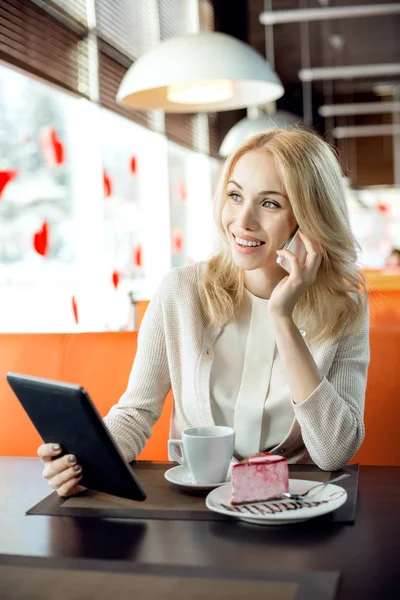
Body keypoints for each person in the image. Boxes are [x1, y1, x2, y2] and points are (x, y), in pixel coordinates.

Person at [39, 128, 370, 497]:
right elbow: (135, 414)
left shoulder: (344, 307)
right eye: (235, 195)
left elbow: (334, 453)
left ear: (309, 218)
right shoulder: (181, 293)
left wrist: (282, 318)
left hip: (295, 511)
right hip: (197, 510)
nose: (243, 220)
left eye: (271, 203)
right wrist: (83, 461)